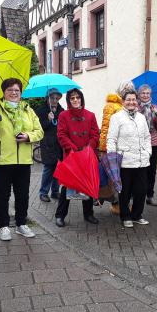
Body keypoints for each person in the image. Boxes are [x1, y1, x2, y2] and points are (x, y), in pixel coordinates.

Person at [0, 78, 43, 241]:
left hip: (23, 160)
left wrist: (28, 136)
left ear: (20, 92)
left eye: (17, 90)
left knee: (23, 194)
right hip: (1, 161)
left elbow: (39, 131)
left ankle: (21, 224)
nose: (14, 93)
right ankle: (4, 226)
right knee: (2, 194)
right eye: (10, 90)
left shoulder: (28, 110)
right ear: (4, 92)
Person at [107, 87, 151, 228]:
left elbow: (147, 137)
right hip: (125, 161)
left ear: (136, 101)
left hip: (141, 160)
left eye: (133, 99)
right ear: (123, 102)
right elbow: (111, 139)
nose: (131, 102)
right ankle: (125, 215)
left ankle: (137, 215)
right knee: (125, 191)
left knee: (141, 190)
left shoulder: (141, 117)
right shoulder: (117, 117)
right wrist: (112, 158)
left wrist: (148, 152)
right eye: (128, 100)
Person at [55, 88, 100, 227]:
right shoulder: (63, 115)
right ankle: (60, 215)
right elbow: (61, 134)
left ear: (81, 99)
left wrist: (88, 148)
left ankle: (88, 214)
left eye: (77, 97)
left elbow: (95, 135)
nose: (75, 100)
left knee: (86, 184)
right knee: (68, 185)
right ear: (68, 100)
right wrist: (72, 148)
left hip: (87, 155)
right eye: (72, 98)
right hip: (71, 156)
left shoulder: (90, 115)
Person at [98, 82, 130, 214]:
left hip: (123, 148)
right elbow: (105, 127)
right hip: (111, 148)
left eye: (129, 89)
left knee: (120, 178)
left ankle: (119, 204)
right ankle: (114, 204)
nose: (127, 90)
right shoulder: (111, 105)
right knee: (112, 178)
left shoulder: (126, 105)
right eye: (125, 88)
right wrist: (104, 148)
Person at [35, 88, 64, 203]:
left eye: (57, 98)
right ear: (48, 97)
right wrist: (47, 119)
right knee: (48, 168)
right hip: (47, 143)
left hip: (58, 144)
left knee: (58, 167)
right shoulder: (41, 111)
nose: (55, 100)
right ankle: (43, 192)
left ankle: (55, 191)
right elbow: (39, 128)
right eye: (52, 98)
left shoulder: (61, 110)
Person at [137, 84, 157, 206]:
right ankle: (137, 195)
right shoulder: (135, 107)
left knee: (152, 171)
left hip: (153, 142)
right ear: (139, 94)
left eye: (148, 93)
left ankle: (150, 196)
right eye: (143, 93)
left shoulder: (154, 107)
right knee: (140, 170)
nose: (146, 95)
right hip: (139, 142)